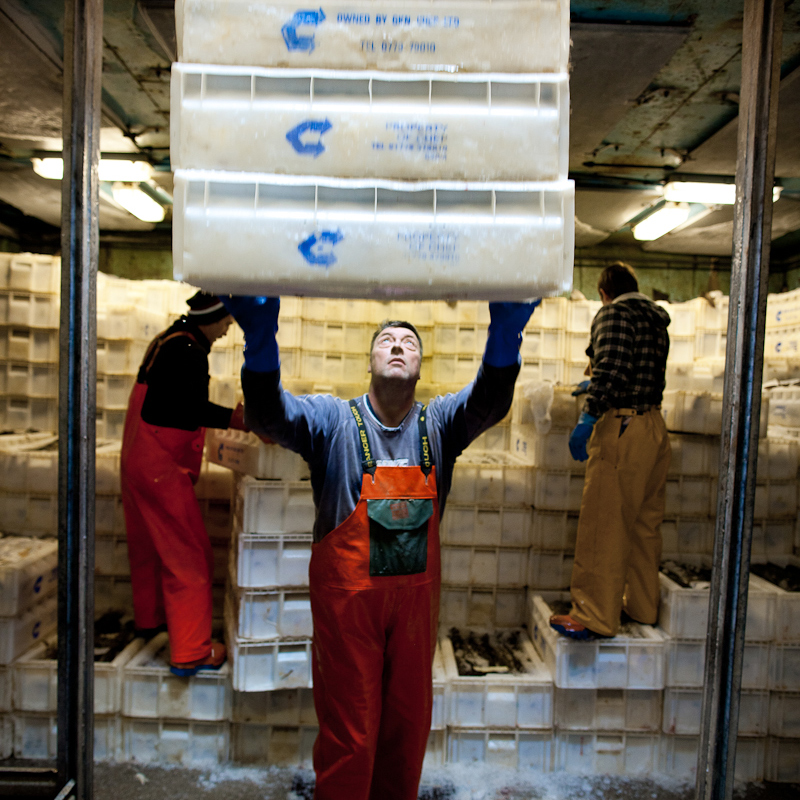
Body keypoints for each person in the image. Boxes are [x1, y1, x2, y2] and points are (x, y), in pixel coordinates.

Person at [222, 295, 539, 800]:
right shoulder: (333, 420)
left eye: (409, 343)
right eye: (386, 341)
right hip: (349, 606)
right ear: (370, 361)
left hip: (414, 606)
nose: (397, 346)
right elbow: (271, 418)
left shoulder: (440, 423)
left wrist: (506, 337)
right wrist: (261, 342)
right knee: (352, 730)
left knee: (407, 730)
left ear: (418, 367)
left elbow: (488, 402)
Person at [120, 290, 248, 676]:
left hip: (137, 459)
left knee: (148, 548)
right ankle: (192, 649)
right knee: (189, 555)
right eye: (227, 320)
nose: (228, 328)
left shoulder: (169, 338)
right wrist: (239, 419)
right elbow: (188, 408)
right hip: (160, 466)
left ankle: (151, 621)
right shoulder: (188, 351)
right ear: (212, 317)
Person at [550, 262, 671, 640]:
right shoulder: (655, 319)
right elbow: (634, 367)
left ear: (604, 292)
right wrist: (595, 381)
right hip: (654, 428)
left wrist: (589, 414)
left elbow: (614, 371)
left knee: (604, 524)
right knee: (643, 526)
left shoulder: (613, 313)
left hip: (624, 426)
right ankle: (641, 607)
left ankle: (595, 616)